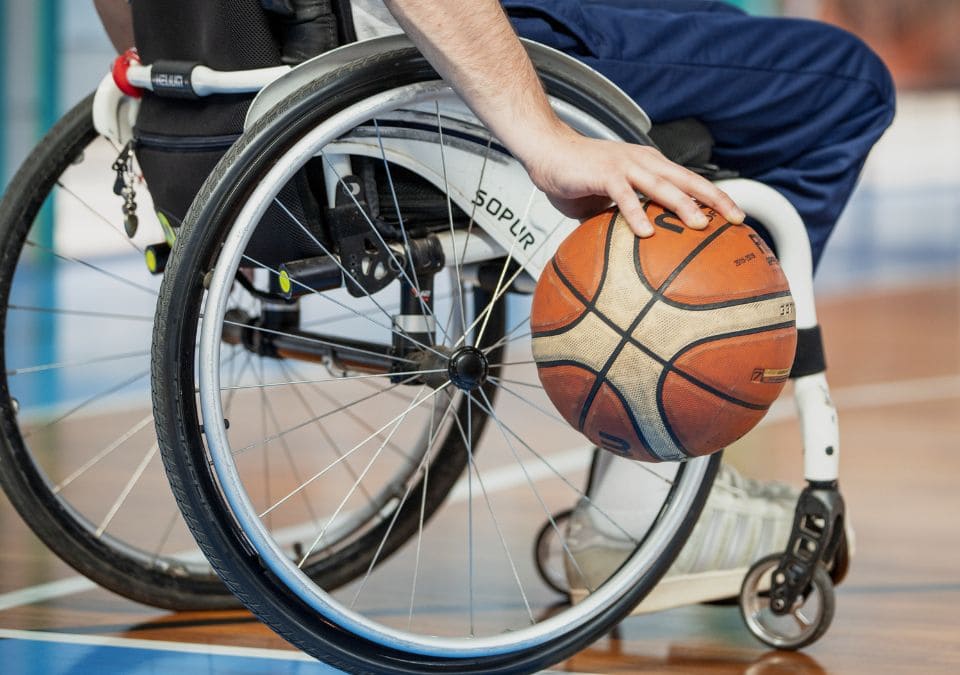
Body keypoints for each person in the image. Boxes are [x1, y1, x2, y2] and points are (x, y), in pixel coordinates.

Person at [92, 0, 894, 608]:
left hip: (225, 94)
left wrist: (185, 92)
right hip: (404, 51)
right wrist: (546, 141)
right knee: (843, 85)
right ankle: (647, 482)